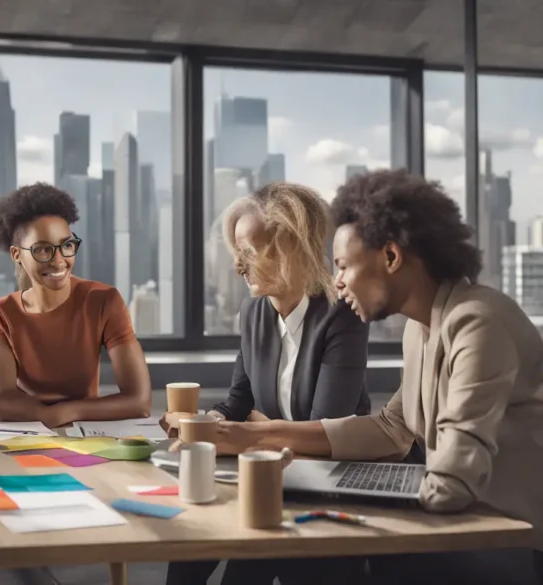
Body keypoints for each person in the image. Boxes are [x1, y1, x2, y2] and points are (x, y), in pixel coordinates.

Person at [210, 169, 543, 584]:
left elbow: (451, 486)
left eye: (344, 265)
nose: (337, 281)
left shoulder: (477, 322)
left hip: (509, 540)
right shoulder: (422, 327)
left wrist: (362, 495)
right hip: (465, 525)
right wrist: (256, 436)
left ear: (390, 257)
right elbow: (393, 428)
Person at [164, 182, 371, 585]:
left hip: (320, 484)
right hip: (267, 473)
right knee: (186, 550)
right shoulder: (253, 312)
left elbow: (326, 431)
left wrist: (241, 432)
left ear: (293, 247)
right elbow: (239, 401)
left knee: (242, 562)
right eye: (237, 253)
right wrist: (204, 422)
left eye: (249, 253)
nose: (238, 266)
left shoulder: (341, 316)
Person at [0, 183, 151, 428]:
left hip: (86, 434)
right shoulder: (1, 313)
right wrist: (48, 416)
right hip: (26, 435)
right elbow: (0, 404)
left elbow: (139, 401)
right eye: (43, 249)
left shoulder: (104, 301)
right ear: (17, 254)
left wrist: (64, 412)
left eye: (67, 245)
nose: (59, 260)